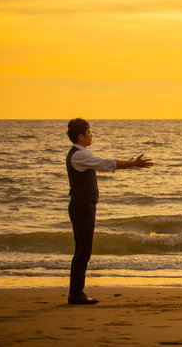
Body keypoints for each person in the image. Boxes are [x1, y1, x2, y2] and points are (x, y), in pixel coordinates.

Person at [65, 118, 153, 304]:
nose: (92, 135)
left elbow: (104, 164)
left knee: (83, 249)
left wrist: (129, 164)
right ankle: (76, 294)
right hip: (82, 205)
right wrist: (131, 164)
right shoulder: (78, 155)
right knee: (83, 249)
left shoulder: (80, 154)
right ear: (81, 137)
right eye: (89, 133)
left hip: (84, 204)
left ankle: (76, 292)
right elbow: (104, 163)